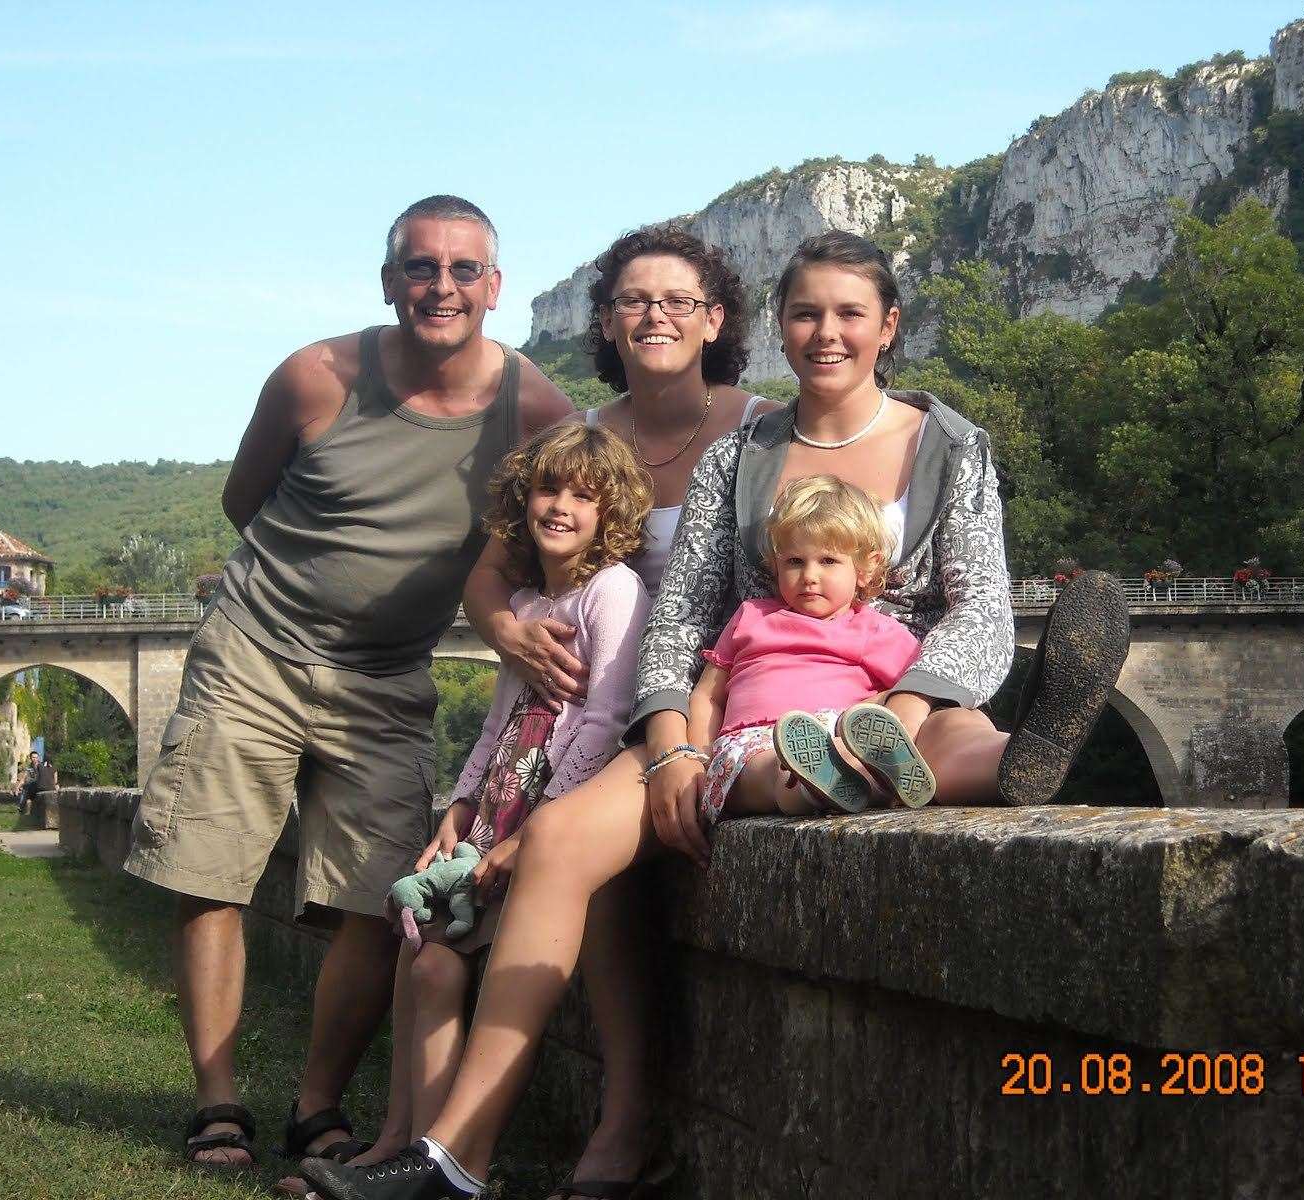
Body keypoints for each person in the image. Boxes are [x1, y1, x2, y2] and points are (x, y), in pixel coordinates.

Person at [299, 229, 1128, 1200]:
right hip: (750, 698)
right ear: (779, 326)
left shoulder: (947, 441)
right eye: (807, 313)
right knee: (564, 839)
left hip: (904, 685)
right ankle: (455, 1155)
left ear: (888, 326)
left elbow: (981, 604)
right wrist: (668, 750)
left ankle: (1020, 748)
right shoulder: (742, 453)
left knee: (965, 741)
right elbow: (685, 614)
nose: (827, 332)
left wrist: (904, 704)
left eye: (849, 313)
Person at [121, 195, 574, 1175]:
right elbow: (247, 498)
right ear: (388, 281)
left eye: (463, 270)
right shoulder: (313, 378)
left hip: (387, 675)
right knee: (208, 871)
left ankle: (316, 1106)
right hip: (255, 649)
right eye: (420, 267)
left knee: (382, 900)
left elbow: (583, 518)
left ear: (494, 288)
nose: (440, 286)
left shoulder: (533, 411)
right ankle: (217, 1105)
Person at [460, 226, 775, 1200]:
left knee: (572, 843)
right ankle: (606, 1125)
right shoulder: (583, 442)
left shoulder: (767, 430)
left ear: (715, 318)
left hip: (714, 709)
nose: (655, 317)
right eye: (635, 300)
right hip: (603, 717)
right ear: (604, 321)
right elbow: (489, 576)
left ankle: (529, 1139)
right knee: (583, 855)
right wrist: (507, 634)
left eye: (678, 300)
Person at [342, 422, 651, 1181]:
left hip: (546, 817)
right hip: (497, 813)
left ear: (611, 513)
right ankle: (404, 1146)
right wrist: (461, 806)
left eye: (585, 496)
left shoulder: (614, 591)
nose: (562, 507)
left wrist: (538, 829)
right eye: (549, 490)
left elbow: (608, 718)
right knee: (428, 963)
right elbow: (499, 723)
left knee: (442, 966)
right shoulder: (524, 601)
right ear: (523, 501)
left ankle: (429, 1158)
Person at [688, 474, 930, 820]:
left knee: (852, 743)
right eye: (794, 562)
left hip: (836, 734)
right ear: (776, 564)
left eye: (828, 561)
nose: (809, 576)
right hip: (748, 744)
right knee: (763, 770)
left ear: (866, 568)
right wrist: (698, 757)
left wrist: (875, 705)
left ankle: (857, 778)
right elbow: (707, 696)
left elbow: (911, 687)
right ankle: (808, 784)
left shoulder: (874, 629)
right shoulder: (752, 616)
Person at [14, 750, 41, 816]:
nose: (35, 759)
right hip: (30, 786)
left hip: (39, 785)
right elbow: (23, 779)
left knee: (27, 790)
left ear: (38, 758)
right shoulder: (29, 768)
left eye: (36, 757)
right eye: (33, 757)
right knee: (25, 789)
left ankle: (24, 810)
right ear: (30, 758)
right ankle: (21, 809)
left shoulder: (41, 766)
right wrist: (17, 788)